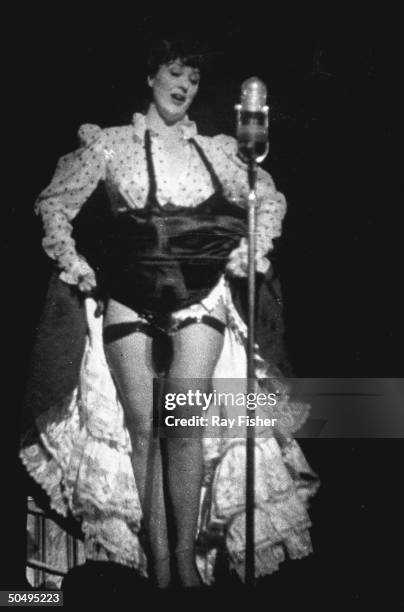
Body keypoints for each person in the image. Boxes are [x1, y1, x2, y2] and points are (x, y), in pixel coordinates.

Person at [20, 39, 318, 590]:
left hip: (199, 293)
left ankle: (184, 560)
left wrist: (248, 250)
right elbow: (55, 202)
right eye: (175, 73)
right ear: (151, 76)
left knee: (182, 422)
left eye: (194, 79)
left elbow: (267, 198)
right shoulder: (109, 145)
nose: (184, 85)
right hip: (131, 292)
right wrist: (75, 263)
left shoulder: (218, 150)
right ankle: (158, 565)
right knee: (143, 429)